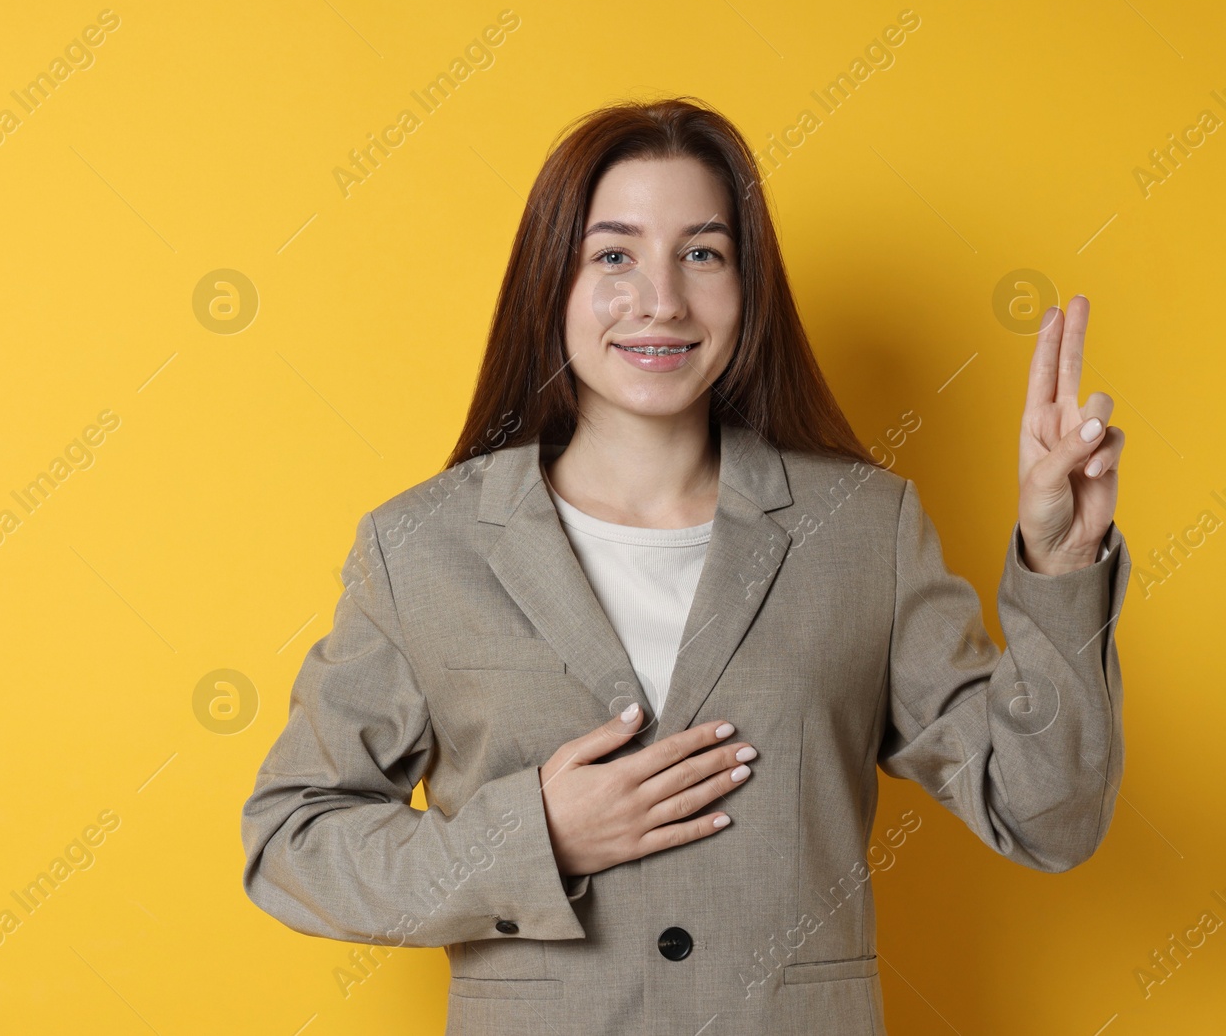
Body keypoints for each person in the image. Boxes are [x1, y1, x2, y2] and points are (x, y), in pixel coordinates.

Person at [240, 96, 1130, 1035]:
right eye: (613, 254)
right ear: (553, 282)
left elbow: (1048, 816)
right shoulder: (422, 546)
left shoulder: (861, 527)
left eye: (701, 253)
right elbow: (292, 840)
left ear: (748, 288)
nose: (660, 298)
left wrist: (1062, 559)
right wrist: (531, 838)